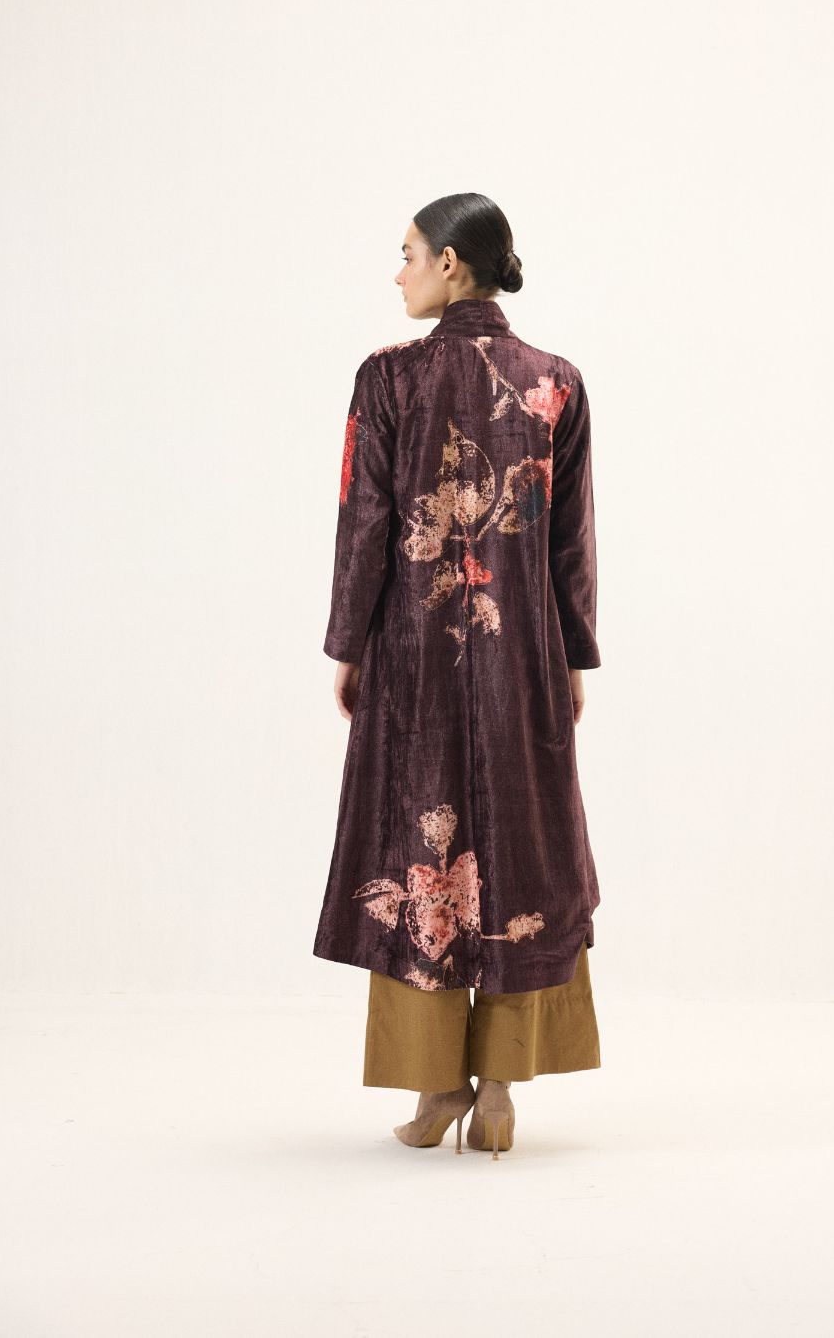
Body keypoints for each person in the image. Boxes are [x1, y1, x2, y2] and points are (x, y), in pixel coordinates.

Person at [312, 192, 602, 1158]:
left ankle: (439, 1087)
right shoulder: (556, 381)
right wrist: (572, 657)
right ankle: (501, 1090)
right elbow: (572, 543)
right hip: (525, 657)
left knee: (417, 852)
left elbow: (365, 526)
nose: (397, 272)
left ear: (449, 264)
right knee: (522, 850)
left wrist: (350, 644)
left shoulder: (389, 377)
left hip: (416, 662)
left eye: (407, 254)